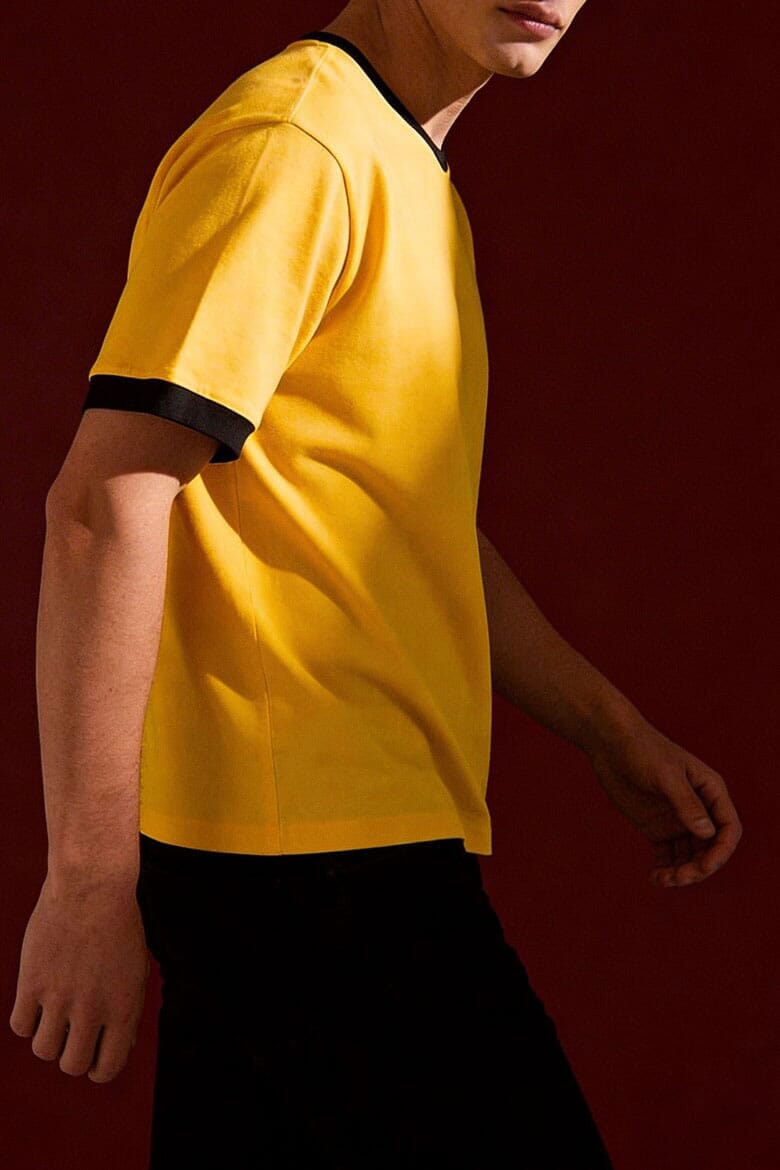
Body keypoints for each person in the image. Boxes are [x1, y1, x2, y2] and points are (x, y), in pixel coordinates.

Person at [10, 2, 742, 1167]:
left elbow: (404, 522)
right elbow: (106, 502)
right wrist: (90, 882)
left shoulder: (396, 159)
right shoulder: (296, 144)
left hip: (338, 857)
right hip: (309, 866)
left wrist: (610, 730)